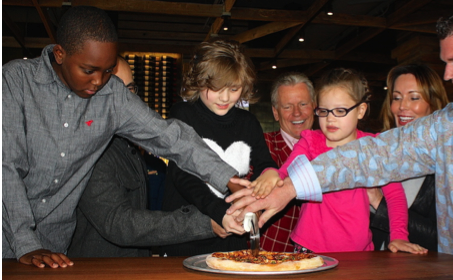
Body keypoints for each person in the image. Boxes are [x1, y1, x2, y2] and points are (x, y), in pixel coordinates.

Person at [227, 3, 453, 270]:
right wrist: (288, 188)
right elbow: (373, 155)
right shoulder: (446, 124)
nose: (448, 74)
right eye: (445, 63)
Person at [2, 6, 239, 268]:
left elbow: (170, 137)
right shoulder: (15, 82)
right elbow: (6, 167)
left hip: (55, 246)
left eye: (107, 70)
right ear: (60, 54)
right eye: (89, 70)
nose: (99, 81)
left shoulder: (112, 95)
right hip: (10, 236)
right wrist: (26, 242)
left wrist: (228, 178)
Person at [67, 58, 232, 258]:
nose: (125, 100)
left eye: (129, 89)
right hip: (98, 274)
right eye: (116, 90)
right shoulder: (90, 148)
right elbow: (118, 223)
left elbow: (177, 143)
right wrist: (205, 222)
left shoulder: (126, 143)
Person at [251, 68, 427, 254]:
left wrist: (399, 236)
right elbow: (287, 171)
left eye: (340, 111)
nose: (330, 119)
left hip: (358, 251)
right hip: (309, 247)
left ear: (360, 110)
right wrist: (271, 174)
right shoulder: (310, 141)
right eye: (324, 111)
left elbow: (395, 196)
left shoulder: (374, 147)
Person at [160, 40, 277, 256]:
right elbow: (183, 176)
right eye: (215, 89)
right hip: (188, 236)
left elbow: (264, 163)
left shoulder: (248, 122)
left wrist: (269, 173)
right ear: (198, 81)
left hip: (234, 239)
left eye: (233, 89)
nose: (225, 98)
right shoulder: (182, 114)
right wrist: (221, 212)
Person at [369, 63, 449, 251]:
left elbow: (442, 238)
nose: (402, 106)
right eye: (396, 98)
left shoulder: (448, 162)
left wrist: (378, 202)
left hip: (417, 273)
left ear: (433, 104)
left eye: (414, 98)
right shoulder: (377, 151)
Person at [259, 72, 316, 252]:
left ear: (315, 106)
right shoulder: (261, 145)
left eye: (303, 104)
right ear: (275, 113)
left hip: (327, 258)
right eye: (287, 107)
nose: (297, 113)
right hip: (272, 259)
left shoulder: (334, 146)